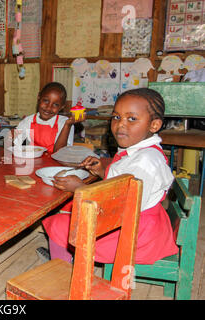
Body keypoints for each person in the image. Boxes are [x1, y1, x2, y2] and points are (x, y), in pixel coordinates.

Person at [41, 88, 179, 265]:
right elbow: (123, 183)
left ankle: (62, 269)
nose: (121, 124)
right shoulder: (140, 152)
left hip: (135, 237)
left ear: (154, 125)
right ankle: (67, 256)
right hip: (141, 225)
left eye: (132, 119)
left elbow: (120, 207)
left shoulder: (144, 162)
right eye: (116, 117)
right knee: (71, 213)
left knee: (60, 224)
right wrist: (101, 172)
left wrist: (82, 189)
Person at [13, 82, 84, 154]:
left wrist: (67, 125)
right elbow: (15, 146)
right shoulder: (28, 121)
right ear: (39, 97)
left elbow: (60, 154)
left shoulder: (65, 123)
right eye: (46, 101)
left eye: (55, 104)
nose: (49, 108)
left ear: (62, 106)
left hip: (55, 165)